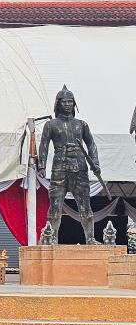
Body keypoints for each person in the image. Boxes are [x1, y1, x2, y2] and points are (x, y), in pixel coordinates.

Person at [37, 85, 100, 244]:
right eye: (64, 101)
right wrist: (42, 166)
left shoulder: (82, 124)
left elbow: (91, 145)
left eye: (70, 101)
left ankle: (90, 238)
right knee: (55, 206)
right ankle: (52, 238)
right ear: (58, 104)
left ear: (74, 104)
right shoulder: (51, 125)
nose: (67, 104)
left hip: (80, 168)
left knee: (85, 205)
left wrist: (95, 163)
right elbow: (43, 145)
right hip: (59, 168)